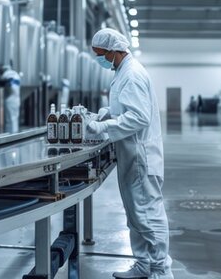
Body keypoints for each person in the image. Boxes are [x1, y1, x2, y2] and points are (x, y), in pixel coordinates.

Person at [85, 28, 172, 279]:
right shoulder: (123, 71)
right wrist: (108, 114)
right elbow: (128, 109)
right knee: (136, 214)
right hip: (131, 154)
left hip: (141, 157)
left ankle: (160, 271)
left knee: (148, 214)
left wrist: (103, 126)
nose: (99, 59)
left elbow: (138, 117)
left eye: (100, 54)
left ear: (113, 51)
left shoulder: (131, 75)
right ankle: (144, 265)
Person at [0, 64, 21, 134]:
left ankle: (10, 136)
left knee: (9, 120)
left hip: (10, 100)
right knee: (14, 119)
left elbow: (7, 83)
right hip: (16, 99)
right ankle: (14, 134)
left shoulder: (7, 74)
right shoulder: (15, 74)